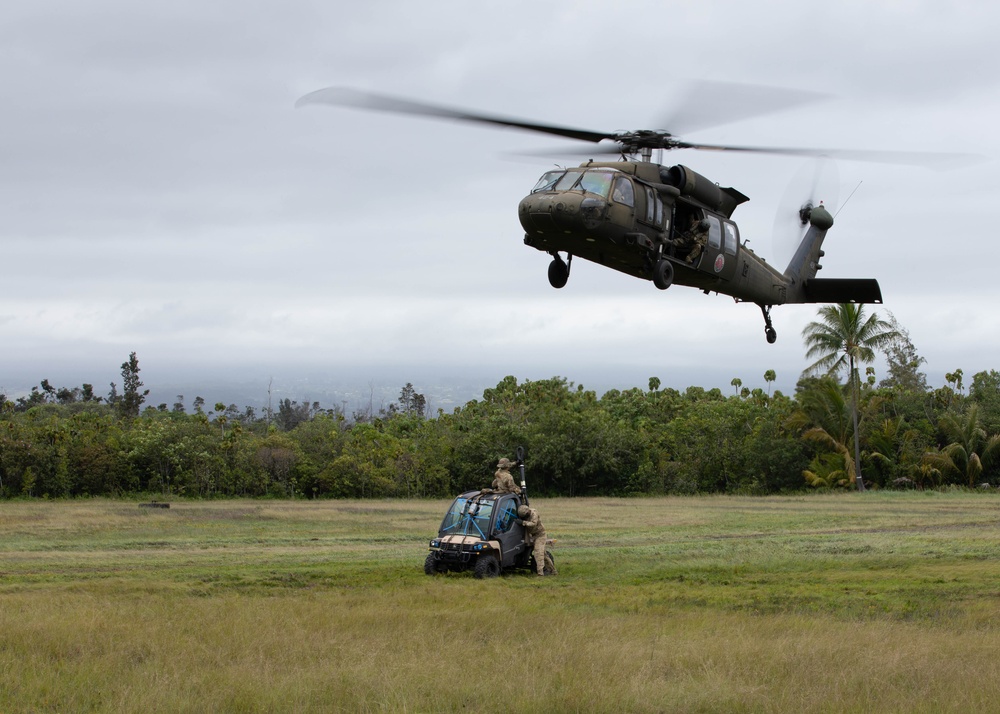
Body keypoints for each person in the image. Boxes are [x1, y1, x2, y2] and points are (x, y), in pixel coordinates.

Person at [518, 504, 556, 576]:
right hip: (533, 535)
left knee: (538, 554)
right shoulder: (527, 514)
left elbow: (533, 524)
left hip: (540, 535)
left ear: (527, 512)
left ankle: (540, 573)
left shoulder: (534, 513)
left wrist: (523, 522)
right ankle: (553, 571)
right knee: (544, 556)